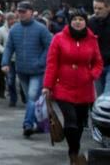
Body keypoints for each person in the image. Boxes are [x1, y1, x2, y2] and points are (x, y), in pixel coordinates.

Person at [42, 9, 102, 165]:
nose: (77, 22)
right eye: (74, 19)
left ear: (85, 22)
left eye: (81, 19)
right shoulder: (58, 38)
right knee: (71, 120)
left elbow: (98, 62)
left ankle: (75, 149)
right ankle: (73, 153)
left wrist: (92, 74)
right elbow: (52, 63)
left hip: (84, 88)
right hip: (63, 86)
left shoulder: (92, 39)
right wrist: (47, 86)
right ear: (70, 22)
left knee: (80, 123)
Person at [2, 1, 53, 137]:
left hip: (37, 71)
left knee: (31, 96)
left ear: (31, 12)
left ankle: (28, 124)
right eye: (19, 11)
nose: (21, 14)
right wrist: (5, 62)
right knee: (32, 99)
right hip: (22, 70)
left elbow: (50, 46)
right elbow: (9, 47)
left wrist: (40, 62)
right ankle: (38, 124)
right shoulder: (14, 29)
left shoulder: (41, 29)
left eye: (24, 11)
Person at [0, 12, 18, 106]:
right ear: (7, 20)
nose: (12, 21)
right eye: (10, 19)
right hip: (9, 59)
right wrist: (4, 51)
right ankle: (13, 98)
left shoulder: (19, 28)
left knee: (22, 80)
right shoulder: (1, 30)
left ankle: (24, 96)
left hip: (20, 58)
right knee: (10, 80)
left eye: (13, 19)